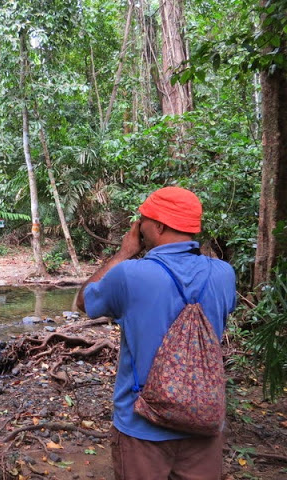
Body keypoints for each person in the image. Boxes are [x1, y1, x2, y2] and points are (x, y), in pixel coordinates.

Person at [75, 186, 236, 480]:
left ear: (158, 225)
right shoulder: (224, 274)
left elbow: (84, 301)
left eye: (142, 220)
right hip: (204, 421)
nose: (138, 227)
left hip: (142, 427)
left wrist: (125, 252)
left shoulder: (130, 274)